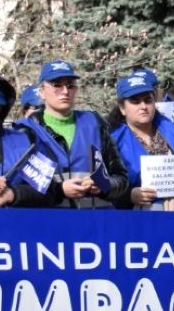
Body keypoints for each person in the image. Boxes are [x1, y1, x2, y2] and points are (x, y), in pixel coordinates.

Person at [21, 60, 129, 209]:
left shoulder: (95, 124)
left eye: (71, 85)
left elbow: (121, 178)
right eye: (57, 85)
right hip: (49, 225)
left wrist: (104, 185)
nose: (65, 91)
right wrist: (59, 190)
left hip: (95, 224)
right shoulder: (25, 131)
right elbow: (20, 188)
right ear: (41, 92)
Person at [110, 74, 174, 211]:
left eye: (148, 100)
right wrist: (129, 195)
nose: (143, 106)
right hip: (136, 221)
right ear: (122, 108)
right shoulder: (112, 141)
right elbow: (105, 185)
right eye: (135, 101)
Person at [0, 72, 58, 208]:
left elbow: (50, 193)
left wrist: (12, 194)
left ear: (3, 108)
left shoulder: (25, 141)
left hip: (15, 226)